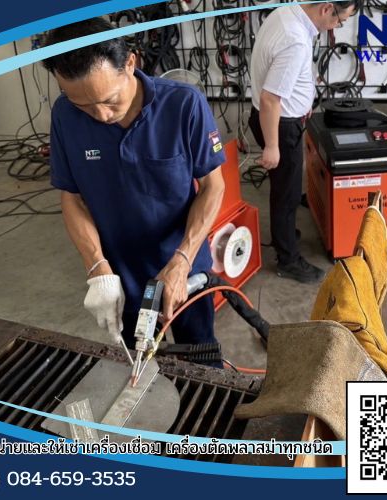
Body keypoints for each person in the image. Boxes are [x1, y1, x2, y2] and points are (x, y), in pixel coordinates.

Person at [43, 18, 226, 355]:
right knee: (136, 364)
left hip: (184, 267)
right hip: (120, 276)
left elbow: (213, 186)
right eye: (84, 105)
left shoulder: (183, 104)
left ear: (130, 63)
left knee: (200, 355)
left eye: (110, 100)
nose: (101, 115)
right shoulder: (65, 116)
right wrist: (97, 267)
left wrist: (183, 259)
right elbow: (72, 198)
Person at [249, 1, 359, 283]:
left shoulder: (288, 13)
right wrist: (272, 146)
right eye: (340, 20)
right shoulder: (295, 39)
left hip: (276, 118)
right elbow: (270, 99)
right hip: (279, 125)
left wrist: (304, 94)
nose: (336, 27)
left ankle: (284, 233)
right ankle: (288, 259)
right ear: (326, 8)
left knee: (285, 186)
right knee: (286, 194)